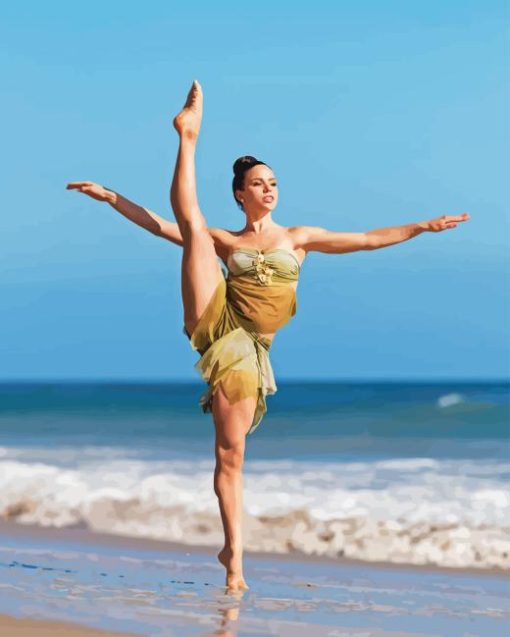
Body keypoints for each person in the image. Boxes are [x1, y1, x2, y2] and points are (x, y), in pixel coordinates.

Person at [66, 80, 470, 592]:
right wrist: (111, 198)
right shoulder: (226, 239)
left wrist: (421, 227)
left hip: (253, 351)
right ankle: (187, 136)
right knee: (193, 230)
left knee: (229, 454)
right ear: (241, 194)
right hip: (219, 325)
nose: (269, 189)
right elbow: (162, 226)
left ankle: (231, 548)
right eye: (258, 183)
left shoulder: (298, 239)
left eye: (273, 182)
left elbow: (367, 240)